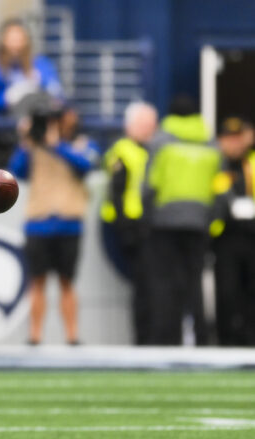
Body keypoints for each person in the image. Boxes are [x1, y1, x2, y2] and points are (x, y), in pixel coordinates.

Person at [9, 103, 95, 345]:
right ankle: (34, 335)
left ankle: (72, 334)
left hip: (69, 223)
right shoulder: (33, 148)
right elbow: (17, 171)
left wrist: (57, 145)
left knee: (67, 282)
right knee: (37, 281)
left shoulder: (81, 144)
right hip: (38, 222)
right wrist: (26, 140)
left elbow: (86, 165)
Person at [145, 96, 219, 345]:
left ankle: (168, 338)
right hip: (199, 220)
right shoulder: (210, 143)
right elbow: (219, 187)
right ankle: (201, 336)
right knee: (194, 281)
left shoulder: (161, 141)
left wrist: (148, 216)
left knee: (166, 281)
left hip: (165, 221)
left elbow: (149, 185)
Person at [100, 102, 157, 344]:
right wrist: (126, 229)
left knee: (147, 285)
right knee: (143, 285)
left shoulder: (146, 149)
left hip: (141, 224)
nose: (151, 129)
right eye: (147, 124)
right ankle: (142, 338)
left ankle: (146, 336)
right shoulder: (124, 151)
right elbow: (118, 191)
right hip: (129, 225)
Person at [210, 117, 255, 345]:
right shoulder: (214, 165)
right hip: (225, 238)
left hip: (251, 237)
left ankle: (250, 340)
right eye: (229, 139)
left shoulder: (251, 163)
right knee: (227, 292)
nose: (234, 144)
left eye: (238, 139)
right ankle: (226, 340)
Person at [0, 19, 63, 115]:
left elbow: (57, 94)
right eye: (11, 40)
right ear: (2, 42)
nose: (15, 45)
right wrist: (5, 98)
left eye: (19, 40)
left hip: (35, 119)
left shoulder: (41, 65)